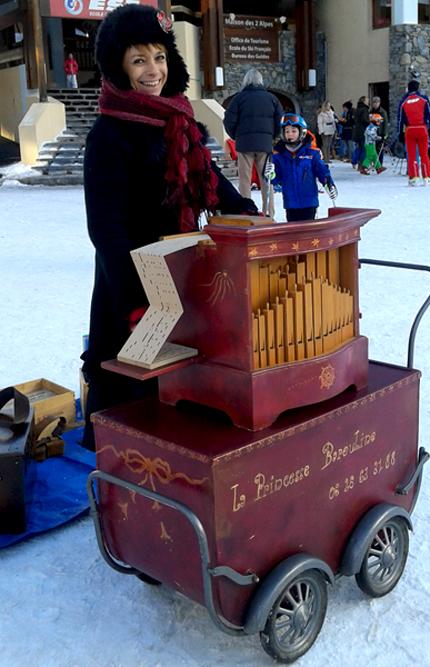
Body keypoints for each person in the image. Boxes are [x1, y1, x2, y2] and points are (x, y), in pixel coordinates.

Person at [81, 5, 259, 451]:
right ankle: (121, 463)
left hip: (183, 269)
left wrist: (249, 213)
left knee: (182, 375)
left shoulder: (180, 122)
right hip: (130, 279)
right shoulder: (108, 134)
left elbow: (213, 183)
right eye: (138, 60)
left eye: (159, 57)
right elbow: (105, 229)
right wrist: (139, 296)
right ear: (119, 66)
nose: (152, 70)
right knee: (131, 380)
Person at [223, 68, 283, 217]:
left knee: (245, 180)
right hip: (265, 144)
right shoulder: (272, 99)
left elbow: (228, 120)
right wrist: (272, 136)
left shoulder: (238, 98)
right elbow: (279, 120)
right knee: (266, 179)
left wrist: (236, 136)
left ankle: (246, 211)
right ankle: (269, 213)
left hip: (244, 145)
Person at [265, 113, 337, 223]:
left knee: (308, 231)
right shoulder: (278, 155)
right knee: (294, 233)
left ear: (301, 132)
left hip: (309, 202)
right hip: (291, 203)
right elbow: (276, 180)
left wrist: (329, 184)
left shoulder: (312, 153)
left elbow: (322, 172)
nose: (290, 134)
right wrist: (271, 174)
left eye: (294, 131)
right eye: (287, 131)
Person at [397, 80, 430, 186]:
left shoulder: (403, 101)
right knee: (424, 154)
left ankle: (413, 177)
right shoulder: (424, 99)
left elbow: (400, 119)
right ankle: (427, 177)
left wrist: (400, 133)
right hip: (422, 128)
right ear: (418, 88)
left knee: (412, 155)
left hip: (410, 130)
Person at [352, 95, 370, 169]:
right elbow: (364, 120)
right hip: (363, 131)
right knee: (364, 148)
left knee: (359, 148)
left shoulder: (357, 109)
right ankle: (362, 165)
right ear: (364, 101)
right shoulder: (364, 109)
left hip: (357, 131)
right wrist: (370, 121)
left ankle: (354, 161)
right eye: (367, 100)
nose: (368, 101)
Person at [370, 96, 388, 164]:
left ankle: (380, 163)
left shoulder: (382, 112)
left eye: (376, 102)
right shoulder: (371, 111)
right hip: (372, 132)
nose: (375, 104)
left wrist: (384, 134)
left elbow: (385, 123)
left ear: (379, 103)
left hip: (380, 132)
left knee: (379, 148)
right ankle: (374, 162)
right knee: (373, 149)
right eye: (374, 102)